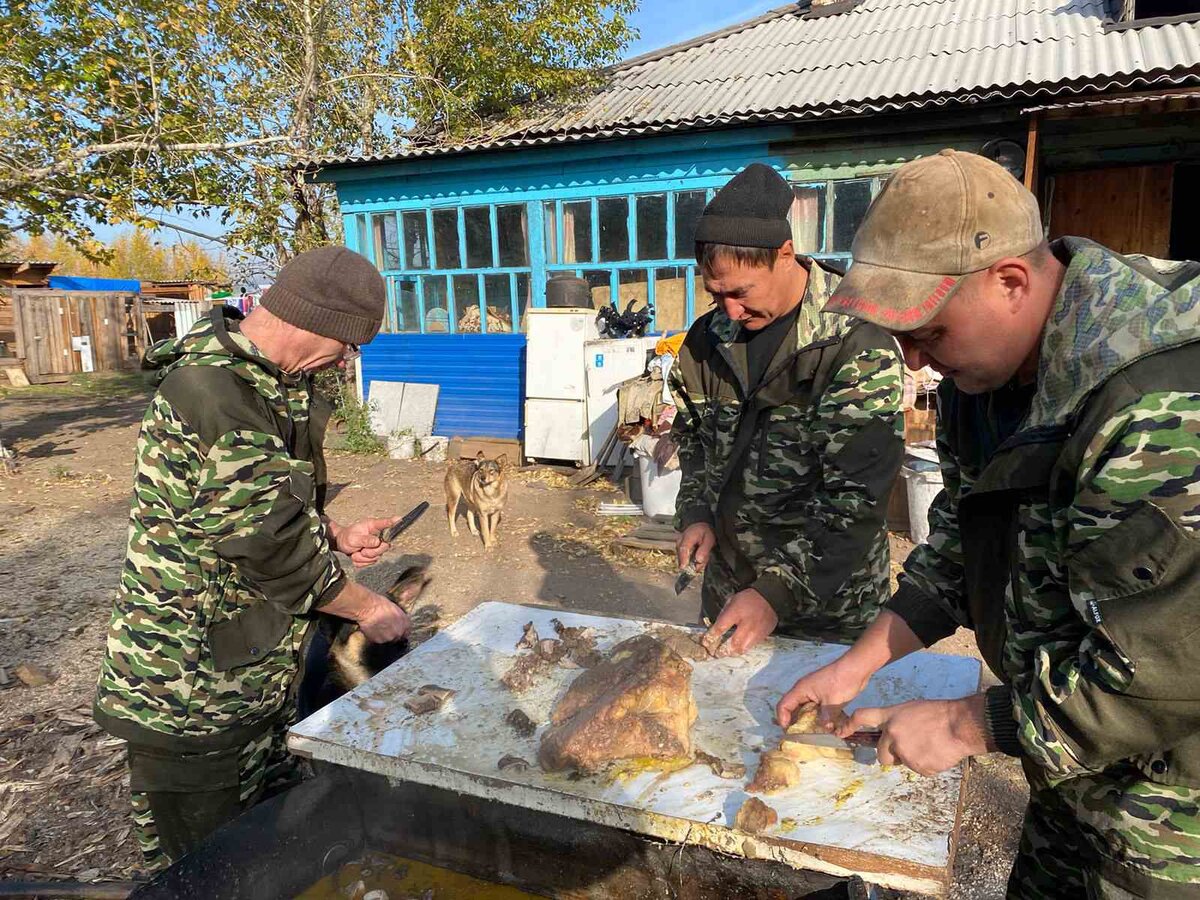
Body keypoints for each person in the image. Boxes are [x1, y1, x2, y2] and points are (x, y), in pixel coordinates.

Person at [780, 148, 1200, 897]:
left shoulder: (1157, 401)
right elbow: (962, 545)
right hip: (1069, 768)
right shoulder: (988, 370)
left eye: (928, 333)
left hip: (1173, 810)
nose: (912, 361)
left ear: (1010, 282)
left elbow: (1166, 671)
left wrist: (968, 725)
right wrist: (859, 661)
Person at [94, 246, 411, 870]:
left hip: (252, 679)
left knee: (263, 857)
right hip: (192, 696)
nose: (347, 361)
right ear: (312, 323)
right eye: (348, 345)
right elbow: (271, 546)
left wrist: (335, 532)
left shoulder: (268, 381)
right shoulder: (217, 392)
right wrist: (369, 606)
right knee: (206, 871)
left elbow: (258, 504)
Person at [670, 163, 904, 655]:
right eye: (716, 294)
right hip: (730, 593)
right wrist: (696, 512)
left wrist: (776, 592)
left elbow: (856, 501)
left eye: (741, 292)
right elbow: (691, 434)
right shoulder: (708, 340)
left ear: (784, 254)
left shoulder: (853, 344)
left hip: (830, 612)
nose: (729, 311)